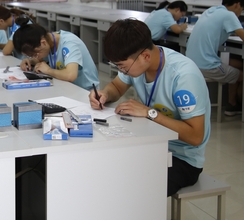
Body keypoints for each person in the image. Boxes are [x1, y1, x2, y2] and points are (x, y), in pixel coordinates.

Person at [89, 19, 210, 197]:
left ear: (145, 56)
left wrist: (150, 113)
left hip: (181, 158)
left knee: (131, 191)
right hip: (150, 144)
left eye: (123, 67)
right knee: (100, 169)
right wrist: (104, 94)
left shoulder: (183, 76)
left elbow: (195, 136)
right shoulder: (138, 62)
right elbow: (116, 87)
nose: (121, 71)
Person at [185, 0, 244, 116]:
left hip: (191, 62)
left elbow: (218, 30)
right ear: (237, 4)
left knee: (238, 64)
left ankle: (232, 102)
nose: (239, 14)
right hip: (208, 65)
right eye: (241, 10)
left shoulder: (211, 11)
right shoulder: (229, 15)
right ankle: (233, 105)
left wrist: (241, 32)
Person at [12, 20, 99, 90]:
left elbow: (70, 75)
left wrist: (48, 70)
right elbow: (44, 59)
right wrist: (29, 61)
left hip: (85, 91)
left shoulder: (69, 44)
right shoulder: (49, 41)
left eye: (34, 54)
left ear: (43, 43)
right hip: (65, 87)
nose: (35, 57)